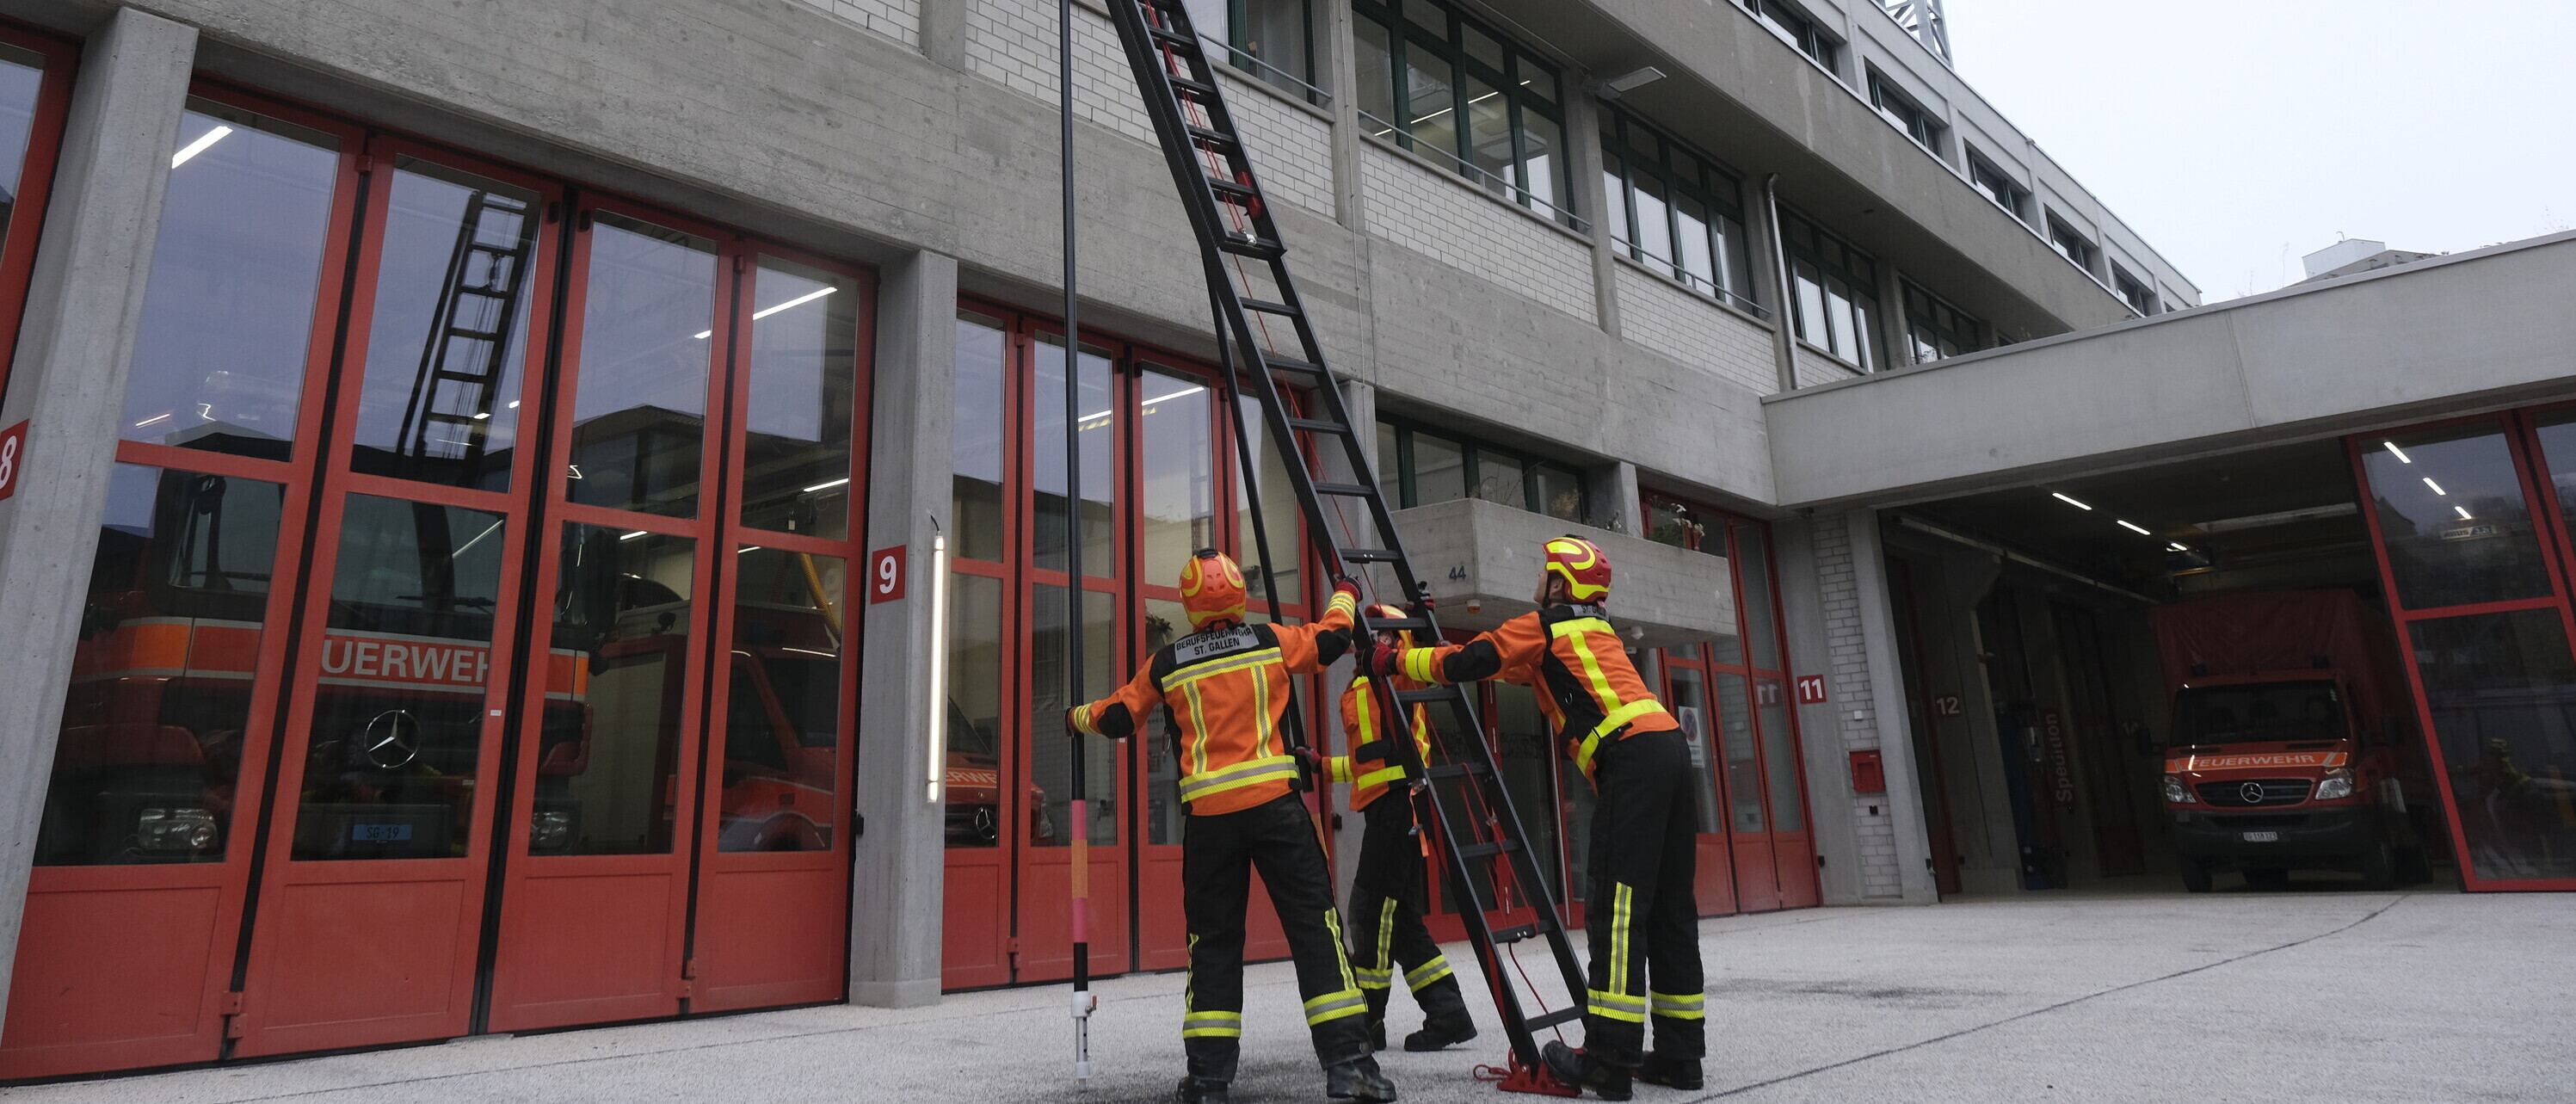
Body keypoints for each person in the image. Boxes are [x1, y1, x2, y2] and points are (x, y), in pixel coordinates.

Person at [1367, 536, 1703, 1100]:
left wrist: (1395, 658)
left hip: (1634, 761)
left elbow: (1471, 663)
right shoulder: (1593, 632)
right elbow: (1501, 667)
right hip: (1669, 749)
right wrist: (1435, 643)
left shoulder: (1546, 624)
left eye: (1544, 573)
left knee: (1617, 912)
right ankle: (1679, 1055)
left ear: (1559, 586)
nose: (1538, 581)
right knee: (1670, 910)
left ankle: (1607, 1060)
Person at [1069, 549, 1396, 1104]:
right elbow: (1334, 639)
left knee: (1212, 943)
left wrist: (1076, 717)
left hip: (1210, 823)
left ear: (1189, 603)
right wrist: (1345, 593)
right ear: (1239, 596)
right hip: (1278, 811)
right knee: (1317, 930)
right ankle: (1350, 1067)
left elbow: (1119, 717)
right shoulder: (1269, 640)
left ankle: (1208, 1080)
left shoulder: (1167, 663)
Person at [1296, 605, 1476, 1055]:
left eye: (1385, 634)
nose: (1372, 640)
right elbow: (1366, 764)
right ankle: (1447, 1011)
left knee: (1370, 912)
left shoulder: (1397, 678)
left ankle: (1368, 1018)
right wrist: (1321, 765)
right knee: (1400, 922)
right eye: (1370, 633)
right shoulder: (1362, 683)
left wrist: (1415, 632)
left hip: (1402, 808)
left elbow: (1427, 665)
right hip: (1384, 810)